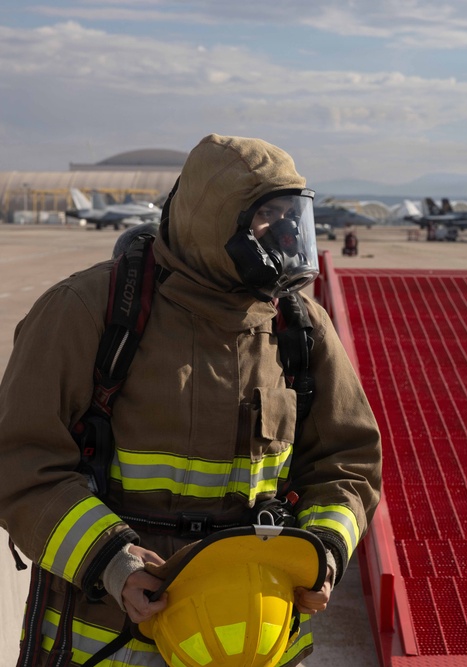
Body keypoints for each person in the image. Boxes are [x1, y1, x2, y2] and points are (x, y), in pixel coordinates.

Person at [0, 134, 382, 666]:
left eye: (292, 214)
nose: (288, 232)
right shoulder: (85, 312)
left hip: (257, 636)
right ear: (214, 219)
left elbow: (349, 461)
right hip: (112, 634)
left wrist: (323, 552)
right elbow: (19, 460)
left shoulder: (298, 328)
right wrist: (112, 560)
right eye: (266, 216)